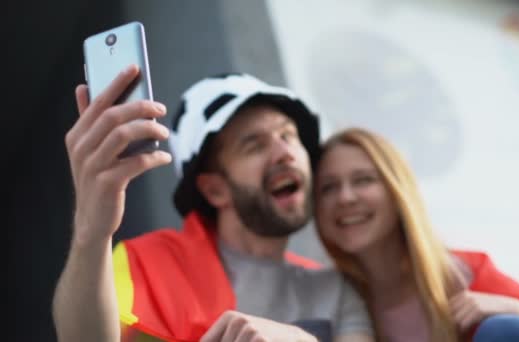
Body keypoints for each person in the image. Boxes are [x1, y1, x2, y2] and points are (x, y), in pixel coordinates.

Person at [52, 68, 373, 342]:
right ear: (214, 190)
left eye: (288, 135)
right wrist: (91, 232)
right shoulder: (147, 263)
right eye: (254, 145)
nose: (284, 151)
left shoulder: (336, 288)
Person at [313, 127, 519, 342]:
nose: (345, 197)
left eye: (363, 180)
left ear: (397, 191)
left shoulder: (469, 274)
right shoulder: (320, 291)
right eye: (328, 187)